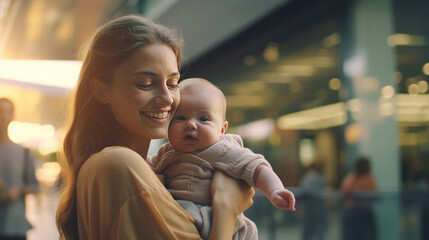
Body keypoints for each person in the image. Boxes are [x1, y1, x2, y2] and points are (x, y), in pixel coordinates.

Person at [55, 15, 255, 240]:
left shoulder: (153, 170)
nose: (166, 98)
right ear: (102, 91)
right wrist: (226, 207)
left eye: (172, 83)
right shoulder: (119, 165)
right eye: (145, 84)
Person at [147, 78, 296, 239]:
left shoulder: (222, 149)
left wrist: (274, 190)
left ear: (222, 129)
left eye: (203, 119)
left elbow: (257, 167)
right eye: (180, 118)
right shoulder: (167, 151)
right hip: (184, 214)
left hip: (208, 215)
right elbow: (150, 165)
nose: (190, 124)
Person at [0, 97, 39, 240]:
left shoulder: (24, 153)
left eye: (7, 112)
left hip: (16, 227)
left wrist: (19, 190)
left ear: (12, 116)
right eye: (0, 111)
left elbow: (35, 186)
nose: (3, 116)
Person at [341, 156, 377, 240]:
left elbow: (344, 191)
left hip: (351, 212)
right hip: (363, 212)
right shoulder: (369, 179)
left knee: (352, 236)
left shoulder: (350, 178)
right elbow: (374, 193)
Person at [299, 161, 328, 240]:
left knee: (308, 228)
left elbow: (303, 193)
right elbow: (323, 193)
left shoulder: (305, 178)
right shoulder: (319, 178)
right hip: (318, 207)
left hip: (308, 208)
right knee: (319, 228)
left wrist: (301, 208)